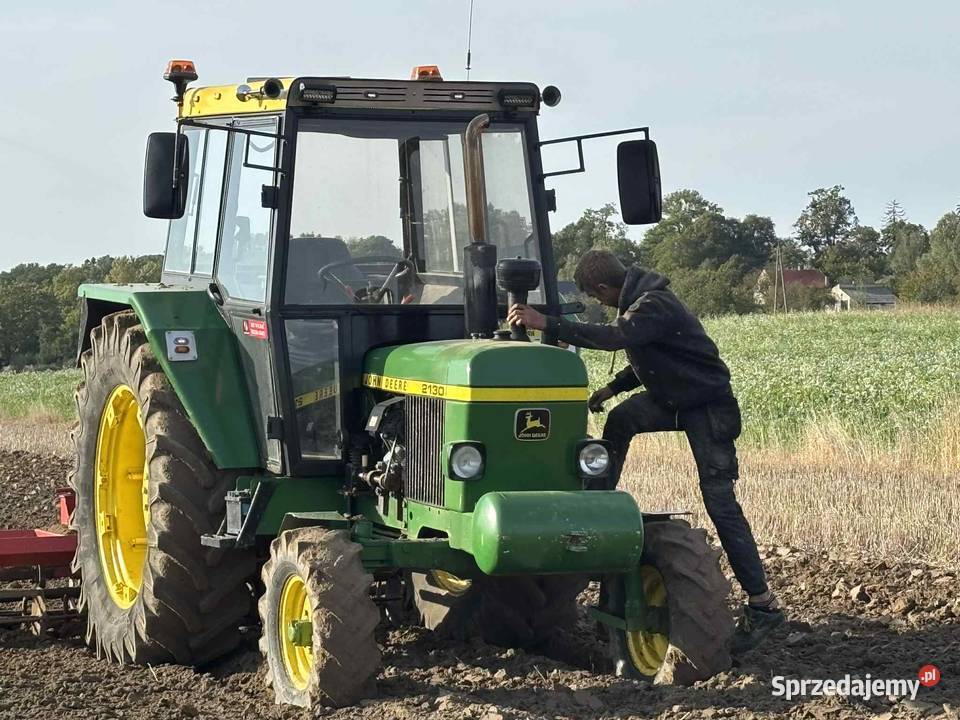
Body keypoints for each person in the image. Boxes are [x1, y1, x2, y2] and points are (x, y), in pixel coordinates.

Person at [507, 249, 784, 652]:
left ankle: (763, 605)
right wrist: (612, 389)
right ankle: (596, 504)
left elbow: (616, 336)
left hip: (706, 407)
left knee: (720, 502)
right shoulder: (642, 303)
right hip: (673, 398)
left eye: (598, 298)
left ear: (603, 288)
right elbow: (652, 359)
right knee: (622, 419)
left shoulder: (654, 304)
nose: (602, 305)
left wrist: (544, 322)